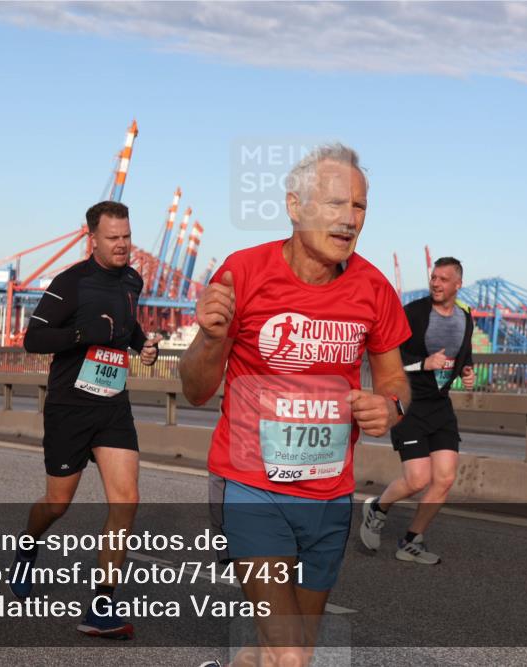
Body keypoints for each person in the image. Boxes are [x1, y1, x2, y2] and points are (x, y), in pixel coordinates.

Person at [181, 144, 410, 667]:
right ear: (295, 205)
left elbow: (394, 377)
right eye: (335, 204)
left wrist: (390, 405)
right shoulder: (244, 272)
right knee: (291, 654)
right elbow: (195, 389)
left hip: (330, 495)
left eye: (359, 207)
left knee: (286, 648)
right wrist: (210, 337)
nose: (350, 220)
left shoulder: (374, 287)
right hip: (251, 488)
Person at [8, 201, 158, 640]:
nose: (122, 245)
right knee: (58, 504)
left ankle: (102, 605)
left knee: (126, 499)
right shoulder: (70, 283)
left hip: (112, 404)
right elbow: (33, 339)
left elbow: (127, 329)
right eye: (113, 238)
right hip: (69, 408)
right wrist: (79, 334)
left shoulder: (133, 280)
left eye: (127, 236)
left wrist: (144, 346)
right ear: (92, 238)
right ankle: (27, 545)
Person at [360, 257, 475, 564]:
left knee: (445, 478)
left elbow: (463, 353)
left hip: (440, 407)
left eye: (443, 279)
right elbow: (388, 358)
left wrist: (467, 370)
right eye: (433, 278)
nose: (435, 283)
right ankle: (376, 508)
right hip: (408, 404)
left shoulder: (465, 315)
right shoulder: (413, 313)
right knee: (417, 480)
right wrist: (423, 364)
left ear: (458, 284)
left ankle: (412, 540)